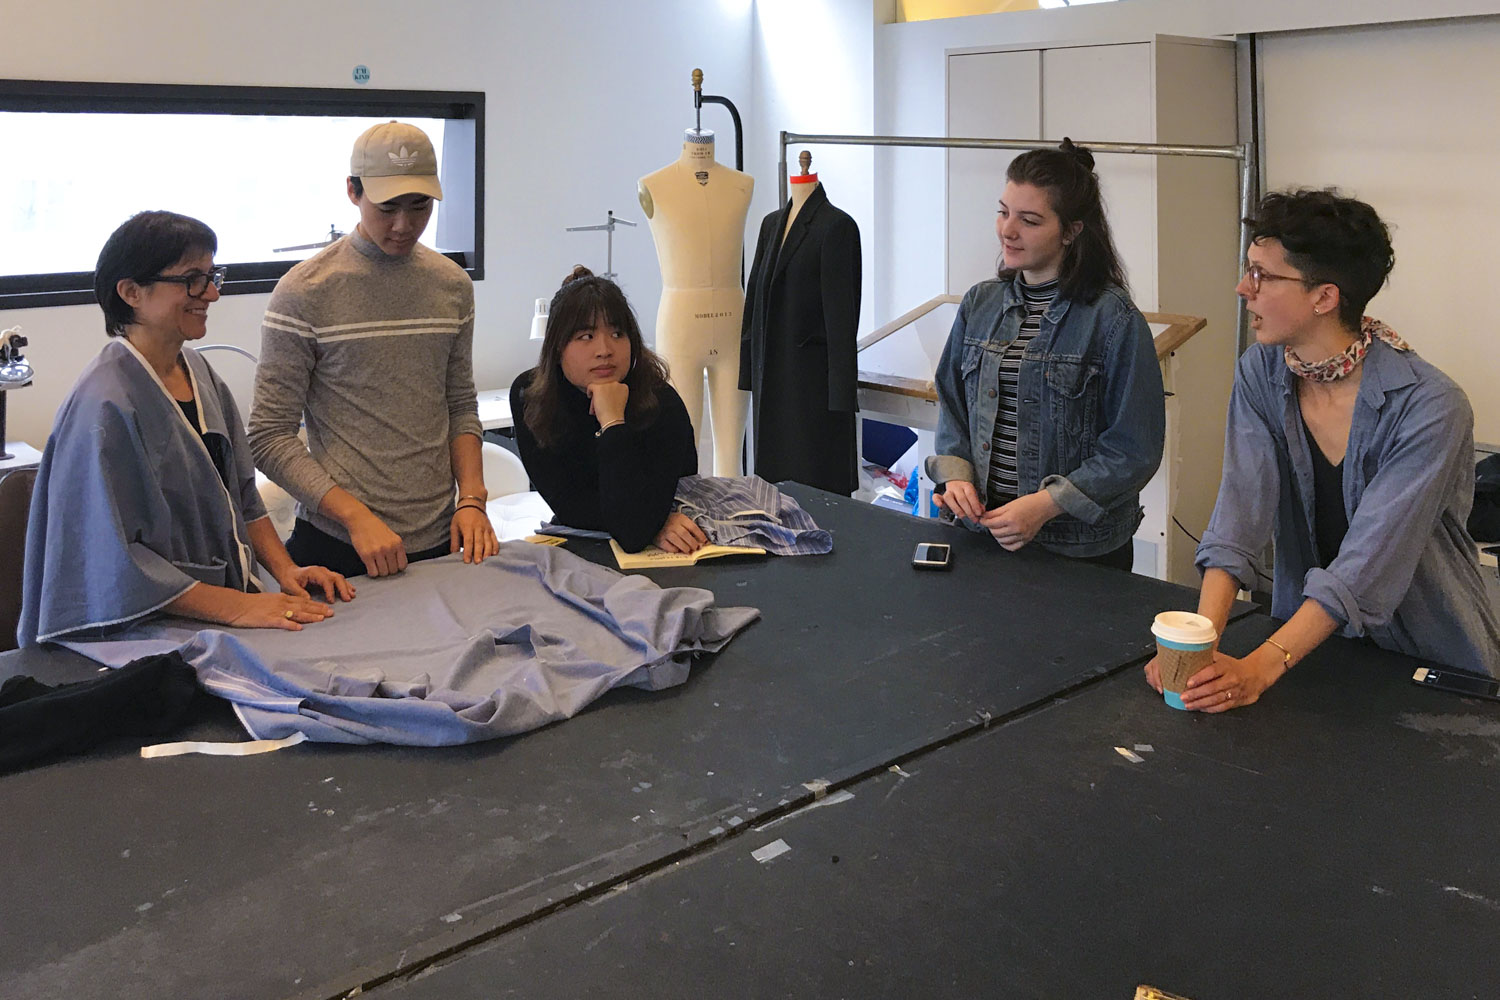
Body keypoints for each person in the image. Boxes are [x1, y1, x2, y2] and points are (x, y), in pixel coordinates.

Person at [1147, 189, 1500, 712]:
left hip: (1427, 659)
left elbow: (1368, 564)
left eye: (1263, 274)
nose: (1243, 288)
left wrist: (1258, 669)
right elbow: (1239, 514)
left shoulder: (1431, 406)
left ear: (1324, 297)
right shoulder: (1261, 373)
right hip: (1306, 647)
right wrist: (1198, 646)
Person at [18, 212, 353, 647]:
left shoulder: (199, 374)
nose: (211, 293)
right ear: (131, 292)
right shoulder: (103, 407)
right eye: (193, 279)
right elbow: (113, 562)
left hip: (211, 616)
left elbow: (243, 497)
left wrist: (285, 570)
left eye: (213, 275)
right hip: (132, 634)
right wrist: (238, 606)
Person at [249, 120, 497, 580]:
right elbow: (268, 436)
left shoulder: (451, 286)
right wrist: (355, 517)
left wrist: (472, 500)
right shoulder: (305, 292)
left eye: (419, 206)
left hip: (444, 538)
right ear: (352, 192)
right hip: (338, 546)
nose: (404, 226)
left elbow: (459, 405)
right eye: (387, 208)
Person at [927, 139, 1164, 570]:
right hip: (981, 534)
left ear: (1072, 230)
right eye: (1003, 212)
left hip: (1076, 550)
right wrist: (956, 471)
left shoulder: (1113, 319)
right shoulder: (980, 304)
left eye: (1030, 220)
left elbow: (1134, 449)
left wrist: (1047, 504)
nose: (1007, 231)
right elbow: (952, 404)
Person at [511, 267, 704, 554]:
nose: (604, 349)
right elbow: (571, 506)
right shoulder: (531, 396)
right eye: (586, 336)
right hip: (582, 540)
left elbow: (635, 529)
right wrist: (650, 523)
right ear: (557, 346)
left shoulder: (661, 401)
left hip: (668, 543)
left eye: (617, 333)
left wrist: (613, 421)